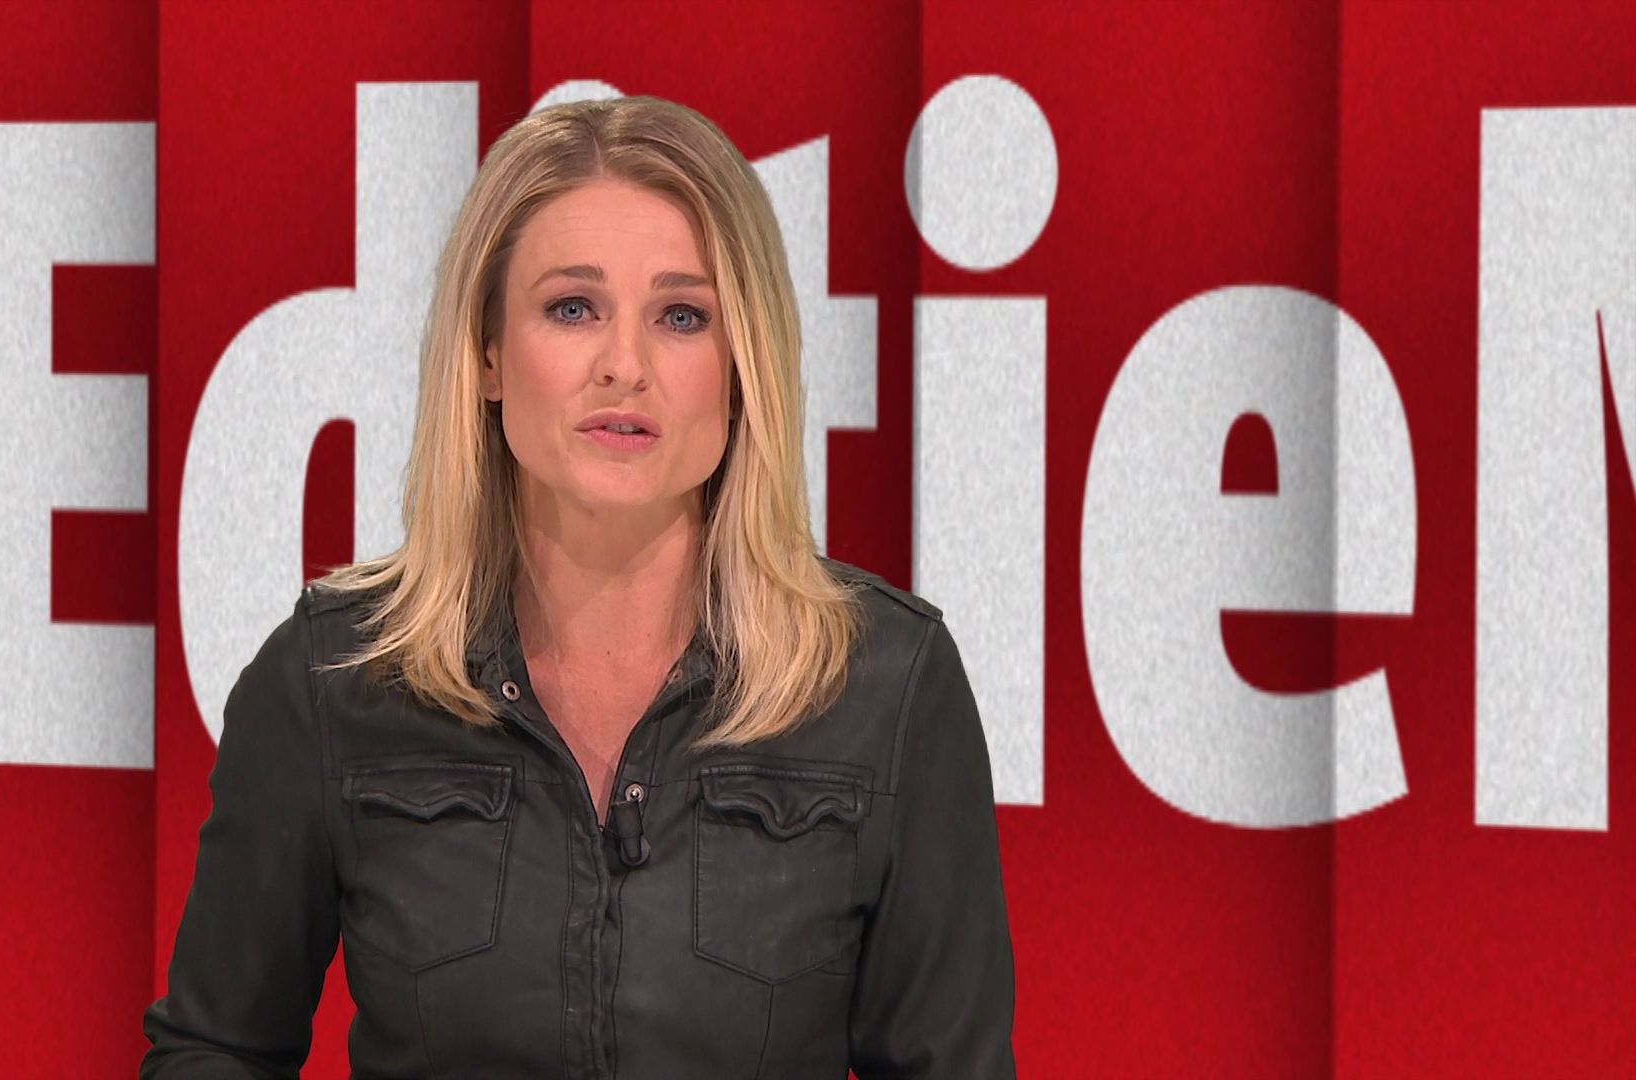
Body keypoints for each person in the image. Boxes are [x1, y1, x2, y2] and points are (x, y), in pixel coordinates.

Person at [141, 93, 1018, 1079]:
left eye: (682, 317)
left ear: (742, 369)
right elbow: (214, 1049)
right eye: (572, 309)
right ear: (488, 355)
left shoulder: (887, 686)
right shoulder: (334, 677)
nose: (624, 366)